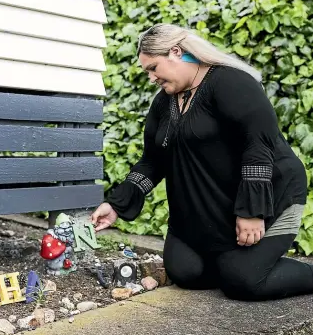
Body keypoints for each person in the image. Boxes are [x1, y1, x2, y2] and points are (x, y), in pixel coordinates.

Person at [91, 23, 313, 301]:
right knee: (186, 271)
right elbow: (153, 161)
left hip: (270, 195)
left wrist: (252, 211)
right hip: (210, 211)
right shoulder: (163, 103)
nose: (150, 78)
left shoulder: (232, 83)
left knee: (243, 281)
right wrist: (116, 205)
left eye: (153, 68)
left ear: (176, 52)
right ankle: (234, 261)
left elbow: (257, 146)